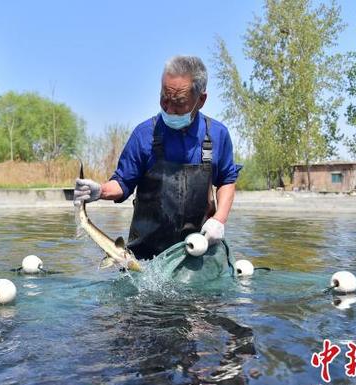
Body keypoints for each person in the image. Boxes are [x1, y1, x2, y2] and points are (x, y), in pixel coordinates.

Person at [74, 56, 239, 260]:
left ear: (201, 100)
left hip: (200, 251)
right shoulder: (143, 135)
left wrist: (219, 220)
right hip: (145, 257)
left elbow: (226, 181)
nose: (168, 109)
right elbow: (123, 182)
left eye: (178, 102)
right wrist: (100, 190)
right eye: (164, 98)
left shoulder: (218, 135)